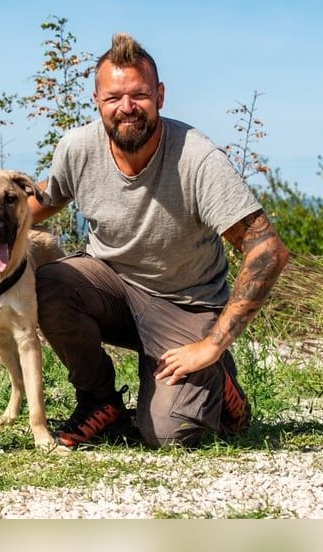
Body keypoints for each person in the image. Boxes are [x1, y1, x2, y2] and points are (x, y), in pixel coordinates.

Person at [28, 33, 289, 449]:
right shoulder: (78, 148)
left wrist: (211, 345)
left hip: (186, 305)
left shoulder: (197, 158)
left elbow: (267, 250)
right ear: (96, 100)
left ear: (160, 96)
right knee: (50, 283)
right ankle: (100, 402)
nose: (126, 107)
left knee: (167, 434)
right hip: (111, 289)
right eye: (114, 97)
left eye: (140, 95)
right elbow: (44, 198)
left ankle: (216, 378)